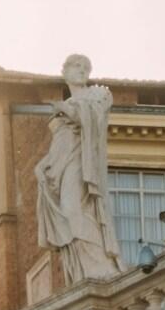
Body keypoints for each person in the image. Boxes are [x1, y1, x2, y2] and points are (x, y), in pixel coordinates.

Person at [36, 54, 124, 285]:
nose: (82, 71)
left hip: (83, 164)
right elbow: (61, 142)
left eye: (86, 67)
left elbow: (93, 120)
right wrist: (44, 164)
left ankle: (99, 267)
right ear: (64, 72)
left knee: (73, 209)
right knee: (67, 214)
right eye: (76, 66)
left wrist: (69, 110)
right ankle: (80, 273)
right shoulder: (65, 107)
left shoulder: (97, 94)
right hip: (62, 163)